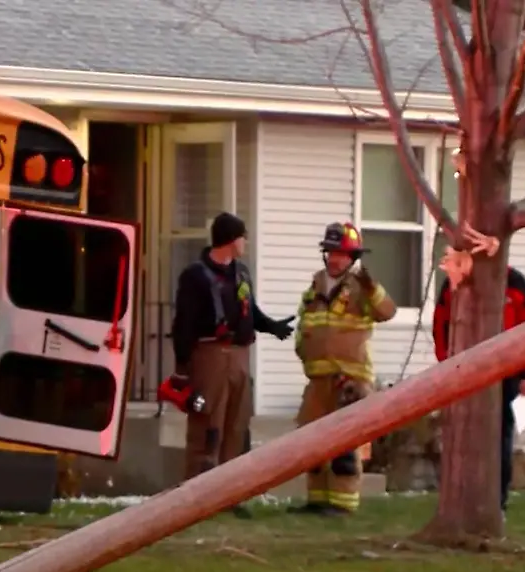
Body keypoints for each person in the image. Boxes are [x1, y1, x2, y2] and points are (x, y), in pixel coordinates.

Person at [169, 212, 294, 513]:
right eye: (242, 236)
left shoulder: (242, 273)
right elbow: (183, 324)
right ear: (229, 240)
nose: (245, 242)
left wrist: (271, 326)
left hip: (239, 356)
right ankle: (197, 497)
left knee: (236, 426)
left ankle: (229, 496)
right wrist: (182, 369)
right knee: (207, 424)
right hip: (209, 355)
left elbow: (249, 311)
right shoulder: (195, 276)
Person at [288, 222, 397, 516]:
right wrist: (302, 348)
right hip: (318, 379)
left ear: (352, 257)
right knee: (311, 441)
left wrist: (372, 289)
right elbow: (306, 324)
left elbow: (387, 311)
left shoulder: (361, 288)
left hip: (350, 379)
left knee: (344, 445)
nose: (335, 259)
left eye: (341, 254)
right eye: (331, 253)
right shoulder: (315, 286)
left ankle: (343, 503)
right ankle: (317, 499)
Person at [432, 264, 525, 518]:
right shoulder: (456, 281)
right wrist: (446, 364)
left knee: (499, 438)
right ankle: (461, 500)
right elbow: (441, 323)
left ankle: (497, 502)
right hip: (464, 373)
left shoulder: (515, 282)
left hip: (507, 373)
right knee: (462, 436)